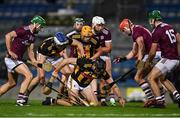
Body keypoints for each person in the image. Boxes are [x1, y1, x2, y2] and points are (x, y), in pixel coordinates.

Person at [113, 18, 163, 107]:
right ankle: (160, 100)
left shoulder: (135, 32)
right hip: (156, 54)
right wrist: (123, 59)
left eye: (123, 31)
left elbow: (141, 44)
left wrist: (139, 59)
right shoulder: (136, 30)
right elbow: (133, 51)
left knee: (138, 77)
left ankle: (152, 99)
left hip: (152, 55)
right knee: (153, 78)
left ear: (125, 28)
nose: (124, 33)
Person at [0, 15, 46, 106]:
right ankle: (20, 100)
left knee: (11, 83)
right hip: (11, 59)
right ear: (36, 24)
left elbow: (30, 51)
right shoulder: (23, 30)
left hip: (17, 60)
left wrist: (34, 61)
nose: (40, 29)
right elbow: (8, 35)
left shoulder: (32, 36)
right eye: (40, 27)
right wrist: (10, 51)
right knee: (29, 75)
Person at [25, 32, 84, 100]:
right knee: (40, 77)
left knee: (68, 73)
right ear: (55, 43)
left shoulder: (66, 40)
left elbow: (78, 44)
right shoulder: (46, 46)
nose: (62, 47)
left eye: (63, 45)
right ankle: (25, 94)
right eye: (60, 45)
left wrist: (82, 55)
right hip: (43, 56)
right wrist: (42, 79)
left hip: (55, 55)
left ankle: (68, 94)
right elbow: (41, 63)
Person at [49, 57, 126, 106]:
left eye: (99, 71)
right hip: (74, 81)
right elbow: (67, 60)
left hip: (85, 85)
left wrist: (120, 98)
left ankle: (79, 100)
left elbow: (114, 85)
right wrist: (56, 71)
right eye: (96, 70)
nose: (97, 73)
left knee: (94, 105)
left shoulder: (102, 72)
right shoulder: (85, 62)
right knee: (74, 104)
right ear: (94, 65)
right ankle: (53, 101)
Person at [145, 10, 180, 108]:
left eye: (150, 19)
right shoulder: (169, 26)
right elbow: (179, 39)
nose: (149, 21)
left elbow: (152, 52)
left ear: (153, 19)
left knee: (151, 78)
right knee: (163, 78)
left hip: (168, 59)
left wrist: (148, 62)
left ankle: (159, 102)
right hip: (175, 59)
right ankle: (178, 97)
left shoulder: (156, 31)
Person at [90, 16, 114, 105]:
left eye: (102, 25)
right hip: (91, 56)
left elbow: (109, 49)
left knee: (106, 76)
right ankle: (94, 97)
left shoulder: (106, 32)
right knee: (91, 76)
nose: (101, 27)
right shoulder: (88, 32)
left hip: (104, 56)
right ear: (93, 25)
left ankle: (108, 98)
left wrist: (98, 49)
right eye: (98, 25)